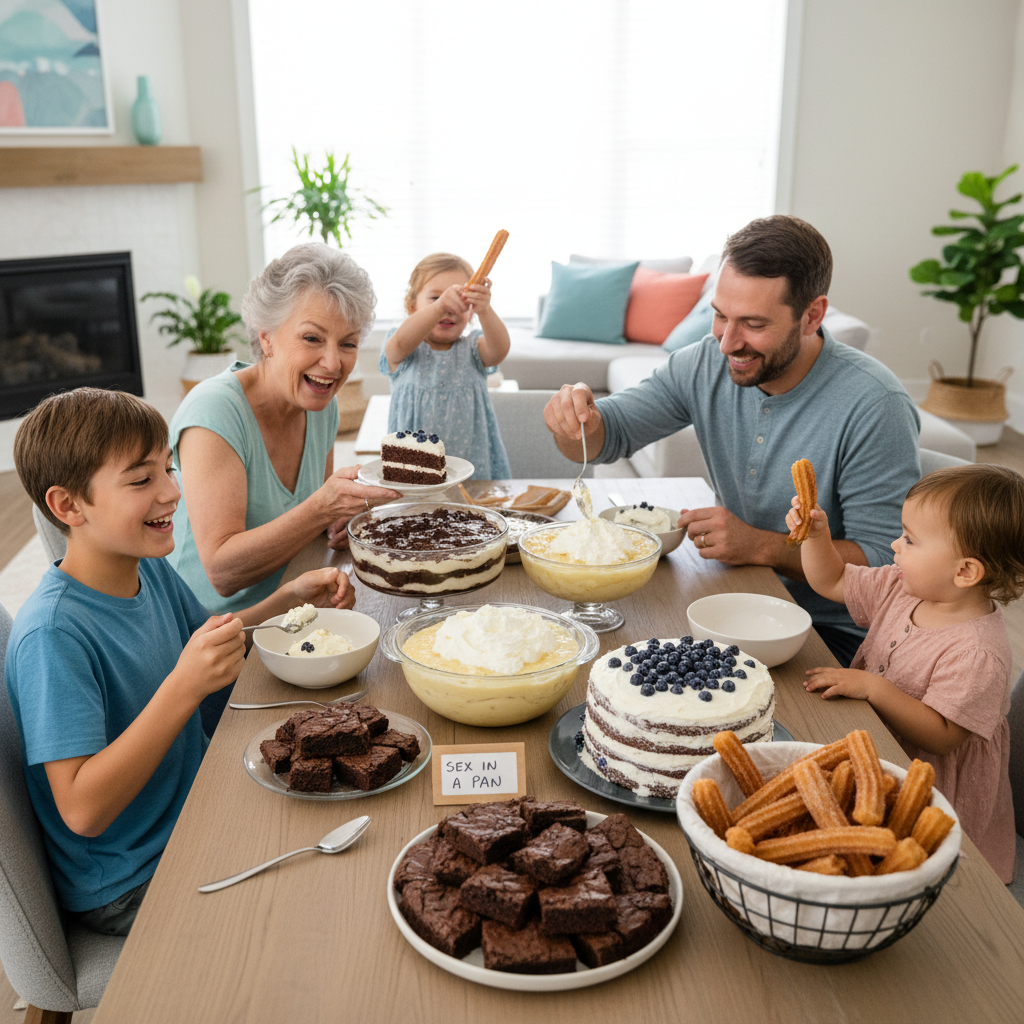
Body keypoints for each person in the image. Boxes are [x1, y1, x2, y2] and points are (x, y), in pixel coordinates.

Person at [6, 388, 355, 935]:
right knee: (324, 912)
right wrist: (182, 689)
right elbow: (82, 809)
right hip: (131, 878)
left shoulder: (148, 569)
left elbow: (216, 650)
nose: (173, 492)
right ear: (68, 506)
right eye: (142, 480)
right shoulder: (54, 635)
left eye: (168, 470)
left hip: (195, 809)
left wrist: (289, 601)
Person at [543, 215, 921, 666]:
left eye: (754, 324)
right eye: (720, 316)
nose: (726, 344)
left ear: (812, 316)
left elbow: (883, 564)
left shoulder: (875, 404)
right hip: (734, 598)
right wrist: (576, 422)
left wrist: (761, 545)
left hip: (836, 637)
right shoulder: (702, 363)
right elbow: (607, 439)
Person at [785, 464, 1023, 882]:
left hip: (931, 791)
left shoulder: (979, 653)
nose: (895, 545)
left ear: (965, 571)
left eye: (910, 540)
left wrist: (875, 688)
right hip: (876, 749)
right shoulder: (902, 586)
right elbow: (832, 578)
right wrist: (817, 536)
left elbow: (942, 735)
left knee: (907, 867)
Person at [168, 242, 399, 618]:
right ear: (266, 338)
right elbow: (222, 574)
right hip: (209, 633)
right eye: (312, 338)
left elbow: (311, 524)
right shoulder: (215, 411)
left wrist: (336, 522)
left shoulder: (322, 404)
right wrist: (322, 508)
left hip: (296, 603)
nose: (332, 362)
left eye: (348, 343)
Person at [379, 252, 512, 479]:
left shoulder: (473, 349)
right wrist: (438, 308)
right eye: (435, 298)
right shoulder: (405, 348)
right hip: (414, 471)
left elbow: (499, 351)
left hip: (473, 468)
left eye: (460, 300)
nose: (449, 307)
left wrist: (485, 310)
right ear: (411, 306)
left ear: (470, 313)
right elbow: (398, 345)